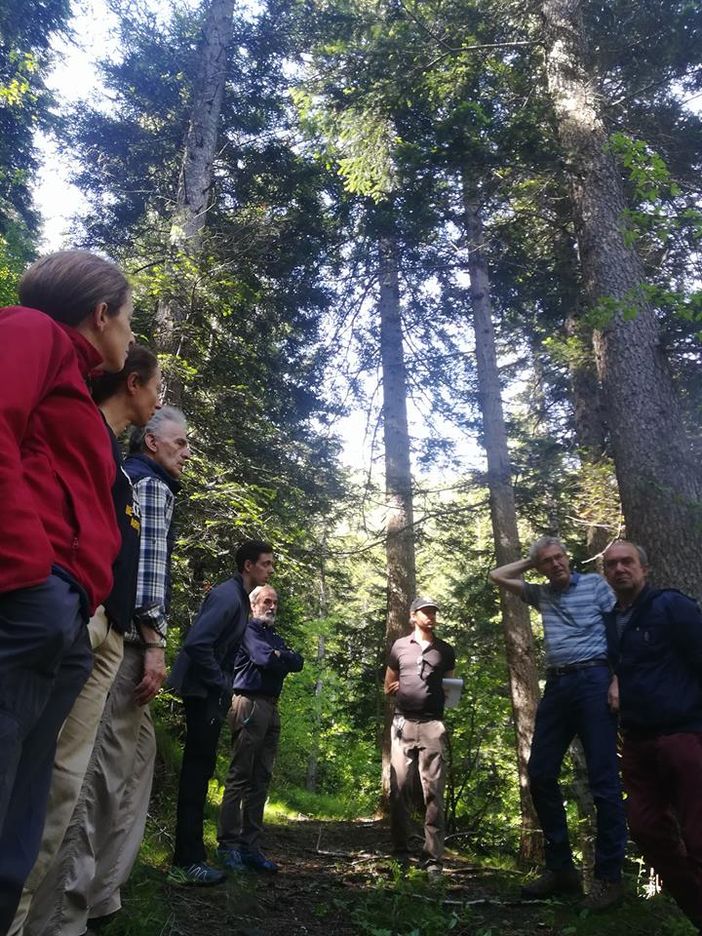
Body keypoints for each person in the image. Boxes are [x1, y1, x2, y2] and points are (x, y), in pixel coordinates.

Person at [0, 250, 134, 932]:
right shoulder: (31, 330)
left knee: (14, 838)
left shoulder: (78, 387)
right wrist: (27, 571)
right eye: (129, 319)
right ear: (101, 312)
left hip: (62, 614)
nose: (131, 338)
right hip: (30, 603)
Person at [9, 345, 161, 936]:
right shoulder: (74, 438)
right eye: (156, 386)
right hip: (73, 620)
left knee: (65, 787)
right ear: (132, 382)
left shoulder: (118, 468)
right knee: (42, 783)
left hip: (103, 632)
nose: (159, 398)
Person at [23, 407, 191, 936]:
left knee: (124, 774)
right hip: (129, 642)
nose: (186, 452)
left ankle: (99, 899)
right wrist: (156, 643)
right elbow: (145, 572)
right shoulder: (151, 486)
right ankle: (61, 918)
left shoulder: (137, 480)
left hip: (123, 635)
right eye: (179, 442)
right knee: (95, 775)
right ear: (151, 441)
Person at [490, 537, 626, 910]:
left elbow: (619, 630)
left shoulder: (597, 585)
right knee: (540, 772)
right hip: (559, 685)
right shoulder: (541, 594)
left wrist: (619, 678)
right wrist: (530, 562)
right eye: (546, 561)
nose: (555, 565)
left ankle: (609, 879)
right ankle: (561, 869)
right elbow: (497, 574)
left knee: (603, 780)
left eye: (558, 557)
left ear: (569, 558)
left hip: (595, 680)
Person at [603, 540, 702, 934]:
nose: (619, 569)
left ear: (645, 568)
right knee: (645, 828)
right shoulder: (610, 621)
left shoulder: (671, 606)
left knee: (699, 835)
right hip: (638, 743)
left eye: (627, 562)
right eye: (611, 565)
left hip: (684, 736)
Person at [168, 541, 276, 885]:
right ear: (248, 565)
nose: (271, 569)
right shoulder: (228, 597)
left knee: (200, 772)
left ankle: (191, 856)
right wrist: (221, 685)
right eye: (266, 563)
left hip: (209, 693)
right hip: (202, 693)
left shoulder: (239, 599)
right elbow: (197, 643)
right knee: (196, 775)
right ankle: (187, 860)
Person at [216, 584, 303, 874]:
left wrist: (281, 656)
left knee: (262, 777)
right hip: (249, 704)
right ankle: (228, 846)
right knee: (241, 774)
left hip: (271, 707)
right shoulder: (250, 630)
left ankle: (250, 847)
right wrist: (279, 657)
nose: (272, 606)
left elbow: (297, 662)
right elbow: (265, 658)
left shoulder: (272, 635)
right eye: (267, 601)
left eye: (275, 602)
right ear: (253, 604)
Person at [384, 597, 456, 876]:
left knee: (434, 792)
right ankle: (400, 854)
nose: (431, 616)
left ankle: (433, 859)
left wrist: (441, 701)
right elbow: (388, 684)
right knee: (400, 789)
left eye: (434, 612)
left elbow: (452, 690)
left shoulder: (445, 650)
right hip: (402, 724)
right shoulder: (400, 646)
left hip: (432, 725)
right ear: (413, 616)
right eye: (426, 612)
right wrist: (394, 689)